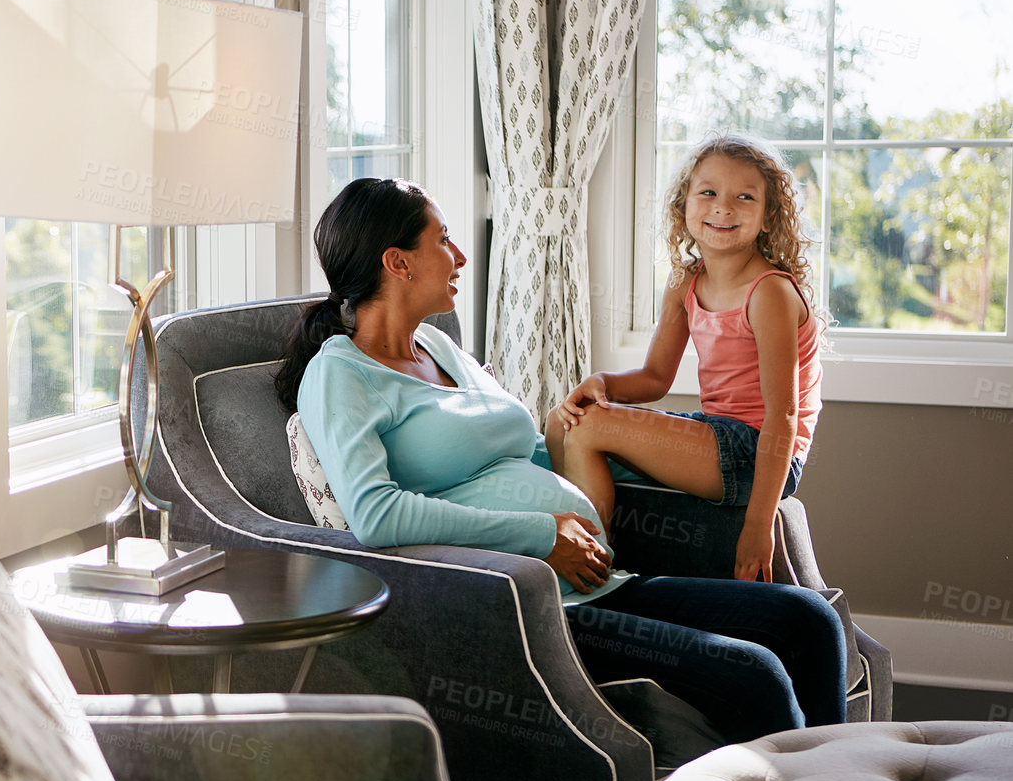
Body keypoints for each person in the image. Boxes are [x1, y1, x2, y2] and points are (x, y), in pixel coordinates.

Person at [276, 175, 846, 743]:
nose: (460, 256)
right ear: (397, 263)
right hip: (529, 607)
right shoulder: (340, 374)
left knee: (807, 620)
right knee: (756, 675)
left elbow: (530, 454)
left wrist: (617, 439)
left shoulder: (438, 346)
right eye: (443, 239)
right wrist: (542, 533)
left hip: (595, 579)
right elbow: (377, 516)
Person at [545, 132, 824, 582]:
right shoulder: (685, 282)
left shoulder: (769, 292)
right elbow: (655, 377)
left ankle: (592, 574)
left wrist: (758, 527)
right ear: (685, 206)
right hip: (717, 431)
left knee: (590, 428)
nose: (722, 207)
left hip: (761, 449)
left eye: (744, 197)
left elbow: (783, 417)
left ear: (769, 218)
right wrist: (603, 382)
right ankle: (585, 553)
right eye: (708, 192)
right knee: (563, 422)